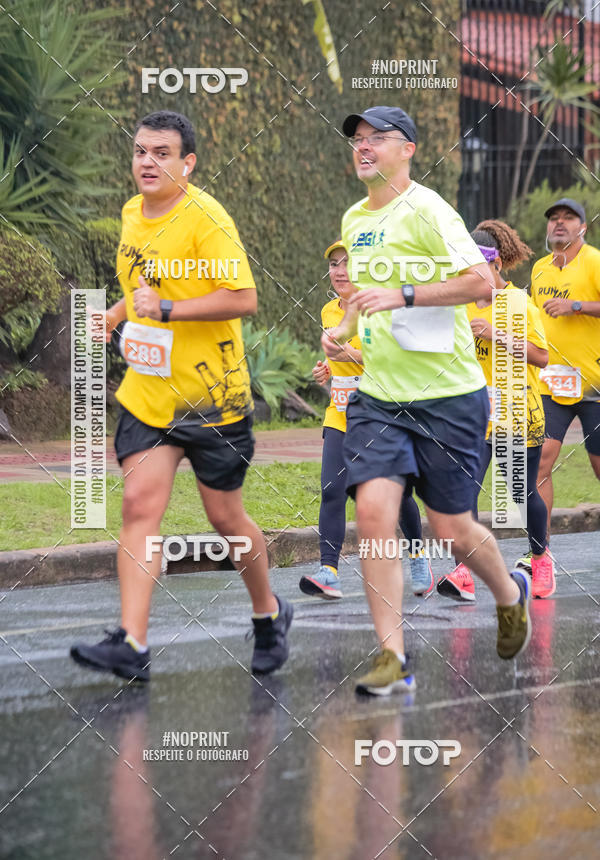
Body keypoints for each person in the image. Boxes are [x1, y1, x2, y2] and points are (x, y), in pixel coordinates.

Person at [70, 110, 292, 682]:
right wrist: (115, 313)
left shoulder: (205, 218)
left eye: (162, 153)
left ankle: (268, 614)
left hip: (212, 398)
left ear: (187, 163)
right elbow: (139, 284)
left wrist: (166, 311)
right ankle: (133, 644)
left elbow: (244, 298)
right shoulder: (130, 213)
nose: (148, 162)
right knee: (138, 507)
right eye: (141, 151)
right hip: (149, 396)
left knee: (226, 519)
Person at [322, 105, 532, 697]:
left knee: (452, 527)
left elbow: (481, 283)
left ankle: (509, 592)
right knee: (373, 516)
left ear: (408, 148)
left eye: (377, 139)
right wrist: (344, 331)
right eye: (358, 140)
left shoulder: (430, 207)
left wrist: (407, 294)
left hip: (449, 395)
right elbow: (368, 300)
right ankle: (393, 657)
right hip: (380, 396)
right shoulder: (355, 218)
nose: (364, 147)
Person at [299, 240, 431, 600]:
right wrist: (328, 368)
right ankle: (329, 570)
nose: (339, 271)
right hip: (340, 411)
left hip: (380, 413)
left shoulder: (377, 308)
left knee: (397, 491)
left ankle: (418, 554)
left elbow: (391, 359)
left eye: (347, 263)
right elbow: (340, 357)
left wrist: (348, 353)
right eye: (334, 265)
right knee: (332, 490)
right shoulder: (329, 310)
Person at [436, 220, 555, 603]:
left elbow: (541, 357)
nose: (471, 274)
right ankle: (466, 572)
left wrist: (494, 334)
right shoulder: (463, 304)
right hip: (474, 414)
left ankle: (541, 558)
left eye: (478, 266)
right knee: (465, 491)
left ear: (497, 265)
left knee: (520, 496)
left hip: (518, 412)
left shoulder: (518, 303)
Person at [530, 198, 600, 536]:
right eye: (554, 218)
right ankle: (540, 555)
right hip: (552, 383)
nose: (560, 223)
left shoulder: (594, 261)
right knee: (540, 461)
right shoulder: (540, 267)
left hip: (594, 383)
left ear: (582, 227)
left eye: (568, 218)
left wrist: (576, 305)